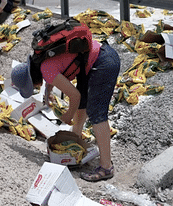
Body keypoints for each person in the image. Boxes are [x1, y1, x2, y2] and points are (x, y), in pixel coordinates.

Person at [10, 29, 120, 182]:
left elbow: (74, 96)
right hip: (96, 58)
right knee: (83, 104)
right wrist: (48, 88)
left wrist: (68, 115)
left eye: (33, 86)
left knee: (96, 113)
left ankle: (106, 167)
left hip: (102, 63)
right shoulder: (41, 60)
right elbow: (57, 67)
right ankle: (75, 140)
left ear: (32, 80)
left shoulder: (46, 70)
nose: (35, 87)